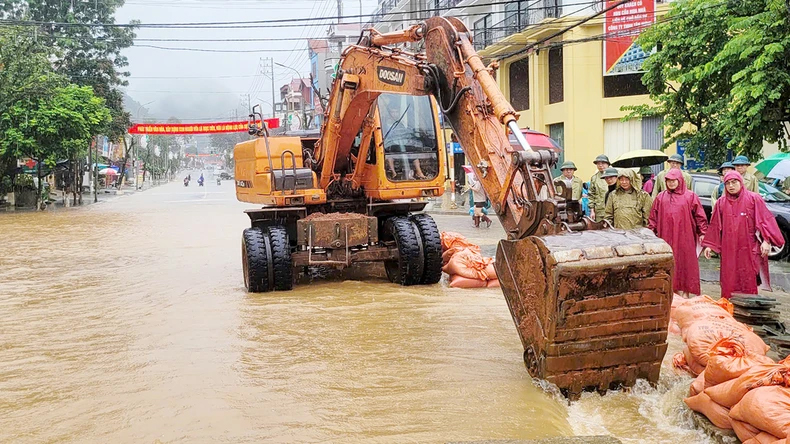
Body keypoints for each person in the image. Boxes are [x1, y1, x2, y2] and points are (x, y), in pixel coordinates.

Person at [702, 171, 785, 299]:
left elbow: (765, 221)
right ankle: (729, 308)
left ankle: (748, 309)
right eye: (728, 183)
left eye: (734, 182)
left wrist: (766, 241)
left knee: (748, 279)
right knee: (729, 279)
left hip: (749, 248)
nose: (731, 186)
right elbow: (715, 226)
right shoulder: (721, 203)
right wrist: (709, 246)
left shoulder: (754, 199)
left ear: (741, 183)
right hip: (728, 248)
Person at [649, 169, 708, 296]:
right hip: (666, 237)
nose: (671, 183)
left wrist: (703, 233)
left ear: (680, 180)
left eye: (673, 180)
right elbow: (653, 217)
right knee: (669, 264)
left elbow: (700, 216)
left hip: (685, 237)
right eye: (668, 181)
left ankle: (686, 293)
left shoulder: (690, 196)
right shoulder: (660, 197)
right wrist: (650, 233)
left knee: (685, 264)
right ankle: (671, 292)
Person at [381, 101, 427, 180]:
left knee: (414, 151)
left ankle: (419, 172)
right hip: (392, 144)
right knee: (390, 155)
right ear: (390, 113)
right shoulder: (386, 123)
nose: (395, 114)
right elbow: (385, 135)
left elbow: (405, 132)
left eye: (396, 112)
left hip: (403, 142)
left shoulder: (400, 123)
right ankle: (393, 173)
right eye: (393, 112)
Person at [589, 154, 611, 222]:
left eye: (603, 163)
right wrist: (592, 211)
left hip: (613, 210)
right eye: (598, 163)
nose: (601, 165)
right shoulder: (594, 178)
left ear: (608, 164)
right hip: (600, 211)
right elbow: (591, 195)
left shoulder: (615, 176)